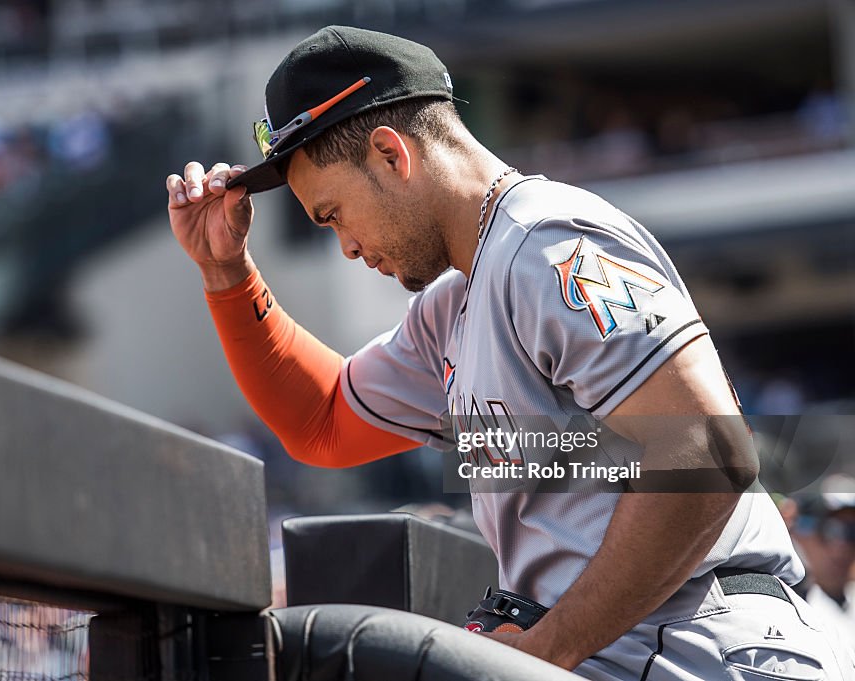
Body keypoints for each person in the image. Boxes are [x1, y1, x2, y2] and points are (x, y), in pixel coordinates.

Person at [166, 25, 854, 680]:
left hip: (705, 646)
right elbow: (322, 419)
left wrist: (548, 648)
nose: (344, 245)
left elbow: (707, 452)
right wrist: (227, 276)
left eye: (334, 213)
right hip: (630, 646)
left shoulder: (546, 241)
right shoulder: (452, 306)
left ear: (389, 153)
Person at [782, 475, 855, 645]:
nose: (842, 545)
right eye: (831, 529)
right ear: (798, 532)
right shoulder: (787, 607)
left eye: (852, 532)